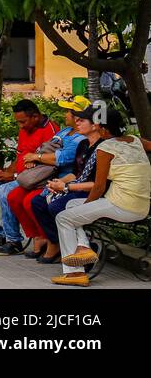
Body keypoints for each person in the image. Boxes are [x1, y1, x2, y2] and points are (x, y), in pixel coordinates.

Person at [53, 104, 151, 286]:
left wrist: (87, 207)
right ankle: (83, 246)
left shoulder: (105, 147)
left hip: (121, 206)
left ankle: (75, 274)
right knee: (70, 206)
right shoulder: (137, 141)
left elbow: (98, 188)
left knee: (63, 218)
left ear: (104, 129)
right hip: (142, 206)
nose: (96, 128)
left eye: (98, 125)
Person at [7, 95, 90, 258]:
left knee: (32, 201)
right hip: (45, 174)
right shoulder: (65, 131)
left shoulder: (81, 137)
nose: (64, 114)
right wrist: (36, 157)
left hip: (61, 177)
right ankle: (37, 235)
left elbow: (63, 157)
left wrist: (36, 158)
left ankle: (51, 240)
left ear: (78, 116)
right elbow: (46, 148)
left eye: (67, 111)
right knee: (13, 197)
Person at [0, 99, 58, 254]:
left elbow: (46, 166)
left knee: (4, 191)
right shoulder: (25, 129)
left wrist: (14, 176)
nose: (21, 126)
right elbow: (20, 157)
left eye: (23, 122)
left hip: (34, 180)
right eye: (18, 122)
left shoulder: (50, 131)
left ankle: (14, 240)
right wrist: (6, 172)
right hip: (17, 176)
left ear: (36, 117)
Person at [30, 104, 100, 265]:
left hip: (91, 190)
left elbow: (98, 183)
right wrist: (60, 182)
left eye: (82, 120)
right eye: (77, 119)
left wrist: (67, 187)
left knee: (56, 206)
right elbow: (76, 173)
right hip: (77, 184)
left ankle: (80, 247)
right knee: (39, 202)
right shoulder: (84, 144)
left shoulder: (102, 147)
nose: (77, 122)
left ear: (95, 125)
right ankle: (57, 242)